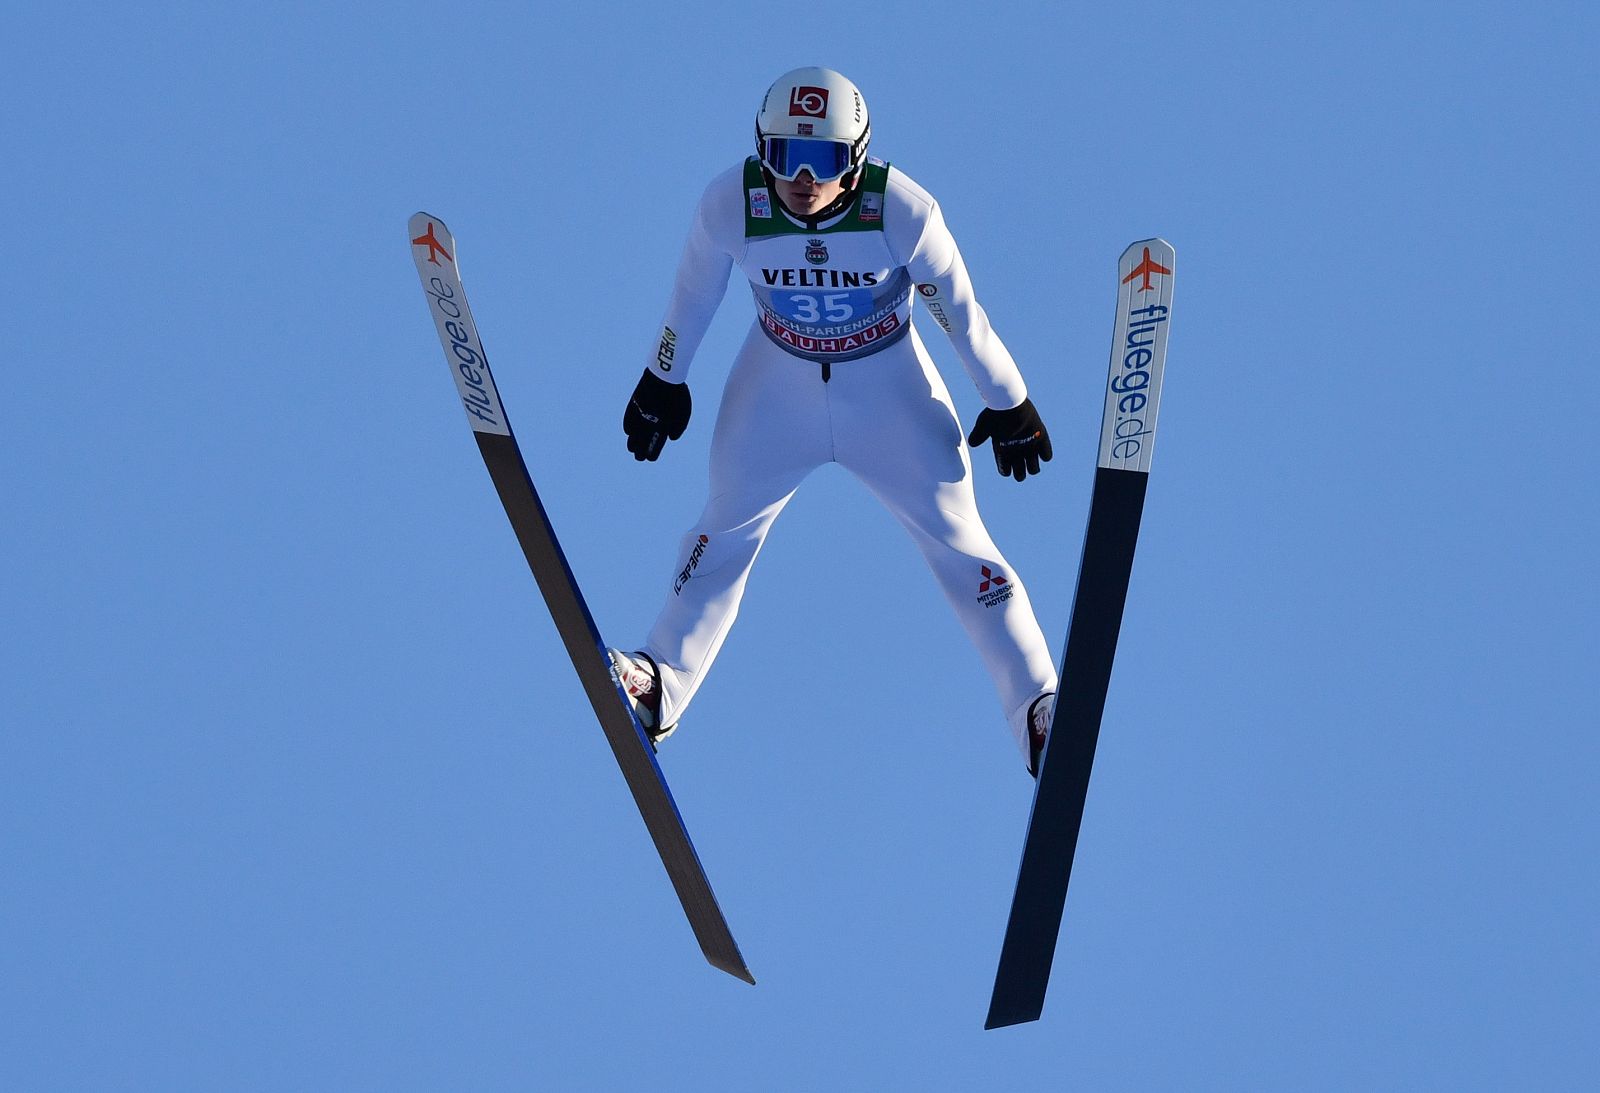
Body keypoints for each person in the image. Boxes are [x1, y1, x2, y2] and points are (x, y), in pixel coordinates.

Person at [613, 66, 1059, 775]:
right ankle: (656, 684)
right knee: (720, 528)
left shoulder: (902, 211)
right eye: (785, 157)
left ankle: (1038, 708)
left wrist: (1007, 398)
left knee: (962, 544)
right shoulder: (732, 203)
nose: (802, 179)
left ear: (856, 159)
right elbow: (692, 295)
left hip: (889, 392)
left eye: (822, 160)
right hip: (775, 388)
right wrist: (662, 377)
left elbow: (961, 316)